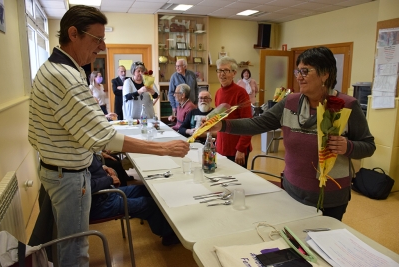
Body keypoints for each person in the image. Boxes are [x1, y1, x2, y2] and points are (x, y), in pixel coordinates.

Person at [28, 5, 189, 266]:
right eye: (97, 39)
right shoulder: (63, 75)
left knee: (70, 244)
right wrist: (164, 149)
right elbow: (103, 136)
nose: (101, 47)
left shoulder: (58, 68)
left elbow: (50, 132)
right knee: (75, 249)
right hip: (67, 176)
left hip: (60, 170)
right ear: (73, 33)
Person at [209, 47, 375, 221]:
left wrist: (347, 146)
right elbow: (257, 123)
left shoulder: (347, 105)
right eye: (298, 71)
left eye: (305, 71)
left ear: (325, 74)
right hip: (291, 191)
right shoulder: (290, 102)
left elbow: (368, 146)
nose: (299, 76)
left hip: (329, 198)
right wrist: (221, 125)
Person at [89, 154, 180, 246]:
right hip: (101, 204)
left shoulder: (82, 152)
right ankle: (168, 235)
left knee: (148, 190)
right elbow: (85, 187)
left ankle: (171, 221)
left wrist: (103, 167)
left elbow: (91, 168)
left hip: (106, 193)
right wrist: (109, 180)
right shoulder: (76, 162)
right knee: (151, 205)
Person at [214, 56, 252, 168]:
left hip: (236, 149)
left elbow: (248, 124)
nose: (222, 74)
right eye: (219, 70)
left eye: (226, 70)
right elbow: (219, 120)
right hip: (221, 146)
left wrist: (241, 149)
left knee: (238, 183)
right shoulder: (218, 92)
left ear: (234, 73)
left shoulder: (241, 93)